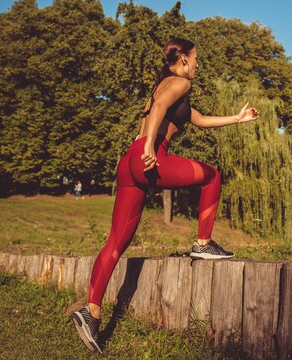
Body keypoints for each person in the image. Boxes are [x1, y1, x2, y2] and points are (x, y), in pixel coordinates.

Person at [70, 37, 259, 354]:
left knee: (116, 243)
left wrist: (237, 119)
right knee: (212, 176)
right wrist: (149, 149)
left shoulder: (166, 86)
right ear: (183, 58)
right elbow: (157, 110)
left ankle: (91, 313)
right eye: (196, 58)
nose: (198, 64)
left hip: (129, 163)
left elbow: (198, 120)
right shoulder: (179, 83)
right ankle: (202, 243)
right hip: (148, 157)